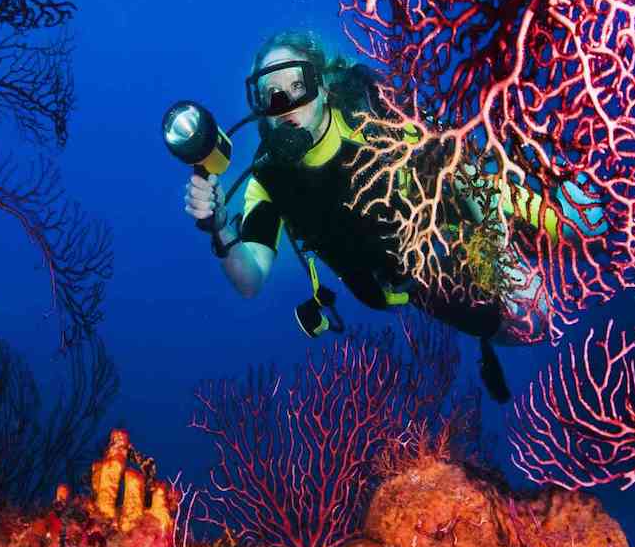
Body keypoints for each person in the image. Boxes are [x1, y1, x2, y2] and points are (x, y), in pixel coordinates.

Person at [182, 30, 570, 401]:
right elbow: (250, 280)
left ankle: (569, 226)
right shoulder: (270, 179)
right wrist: (221, 230)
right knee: (530, 324)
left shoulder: (371, 110)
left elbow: (458, 163)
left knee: (575, 226)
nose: (285, 104)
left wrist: (509, 237)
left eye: (297, 85)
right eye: (271, 94)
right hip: (417, 279)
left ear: (323, 85)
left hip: (462, 209)